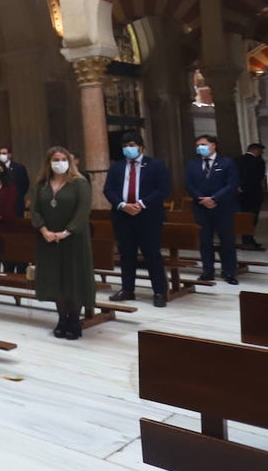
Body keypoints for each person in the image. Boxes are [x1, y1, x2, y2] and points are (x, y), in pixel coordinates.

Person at [30, 147, 94, 340]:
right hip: (48, 239)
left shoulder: (79, 183)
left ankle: (74, 320)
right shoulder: (41, 185)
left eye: (63, 159)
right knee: (55, 278)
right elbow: (34, 210)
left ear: (70, 161)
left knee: (73, 278)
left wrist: (66, 232)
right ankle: (62, 319)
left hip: (73, 238)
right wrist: (44, 230)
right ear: (49, 163)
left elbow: (83, 211)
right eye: (55, 159)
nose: (60, 163)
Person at [103, 132, 171, 307]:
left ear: (141, 147)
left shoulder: (155, 165)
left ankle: (159, 291)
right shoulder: (117, 167)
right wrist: (122, 205)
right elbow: (108, 190)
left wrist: (141, 204)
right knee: (126, 254)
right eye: (125, 146)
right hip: (123, 216)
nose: (128, 149)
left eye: (132, 145)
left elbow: (162, 189)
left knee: (152, 254)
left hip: (148, 216)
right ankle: (127, 289)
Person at [184, 134, 240, 284]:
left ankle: (229, 272)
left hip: (223, 207)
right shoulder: (192, 164)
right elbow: (189, 184)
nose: (200, 148)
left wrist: (215, 198)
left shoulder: (227, 162)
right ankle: (208, 271)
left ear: (213, 145)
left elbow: (231, 184)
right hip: (201, 207)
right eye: (197, 146)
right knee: (204, 241)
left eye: (203, 144)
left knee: (227, 241)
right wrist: (201, 199)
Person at [236, 143, 266, 250]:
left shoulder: (238, 160)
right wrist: (264, 193)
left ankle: (245, 238)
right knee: (253, 217)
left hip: (241, 194)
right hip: (254, 194)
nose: (261, 153)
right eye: (261, 151)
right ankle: (249, 238)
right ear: (256, 151)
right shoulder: (259, 162)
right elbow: (261, 179)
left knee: (243, 216)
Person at [0, 146, 31, 217]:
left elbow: (25, 184)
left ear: (10, 155)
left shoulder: (19, 167)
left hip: (17, 202)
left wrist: (18, 195)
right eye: (0, 153)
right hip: (2, 203)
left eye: (4, 153)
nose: (1, 155)